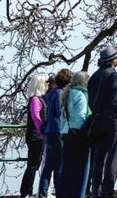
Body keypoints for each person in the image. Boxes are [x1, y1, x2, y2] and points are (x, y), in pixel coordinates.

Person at [88, 45, 117, 198]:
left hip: (97, 121)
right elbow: (115, 101)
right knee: (113, 158)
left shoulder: (93, 77)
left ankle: (95, 190)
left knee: (98, 158)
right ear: (113, 60)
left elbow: (90, 101)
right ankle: (107, 191)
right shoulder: (114, 76)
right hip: (112, 122)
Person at [39, 68, 74, 198]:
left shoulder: (51, 93)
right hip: (58, 131)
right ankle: (60, 193)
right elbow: (61, 114)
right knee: (59, 165)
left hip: (49, 131)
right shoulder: (60, 94)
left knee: (48, 165)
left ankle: (42, 193)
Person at [61, 70, 92, 198]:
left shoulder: (67, 94)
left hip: (66, 134)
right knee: (82, 170)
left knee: (67, 169)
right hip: (79, 135)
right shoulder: (81, 95)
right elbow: (81, 117)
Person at [20, 73, 49, 198]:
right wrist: (43, 131)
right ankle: (26, 191)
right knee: (33, 165)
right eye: (46, 82)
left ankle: (27, 191)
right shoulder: (36, 100)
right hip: (36, 137)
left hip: (37, 136)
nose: (48, 84)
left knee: (34, 165)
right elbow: (36, 118)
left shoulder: (38, 99)